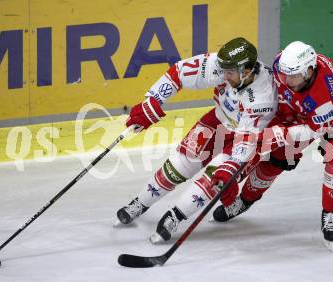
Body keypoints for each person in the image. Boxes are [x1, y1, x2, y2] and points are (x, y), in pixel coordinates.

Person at [115, 37, 278, 243]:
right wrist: (153, 100)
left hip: (247, 139)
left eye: (229, 72)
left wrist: (232, 167)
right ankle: (140, 202)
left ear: (246, 71)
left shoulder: (263, 97)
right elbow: (179, 73)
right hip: (218, 119)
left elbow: (246, 140)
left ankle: (175, 216)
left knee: (214, 179)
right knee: (180, 163)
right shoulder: (225, 67)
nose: (223, 75)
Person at [211, 41, 333, 251]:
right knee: (279, 157)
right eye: (284, 74)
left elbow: (315, 129)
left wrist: (280, 133)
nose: (286, 80)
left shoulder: (325, 95)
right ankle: (245, 200)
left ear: (309, 71)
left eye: (293, 76)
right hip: (297, 111)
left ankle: (331, 214)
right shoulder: (283, 64)